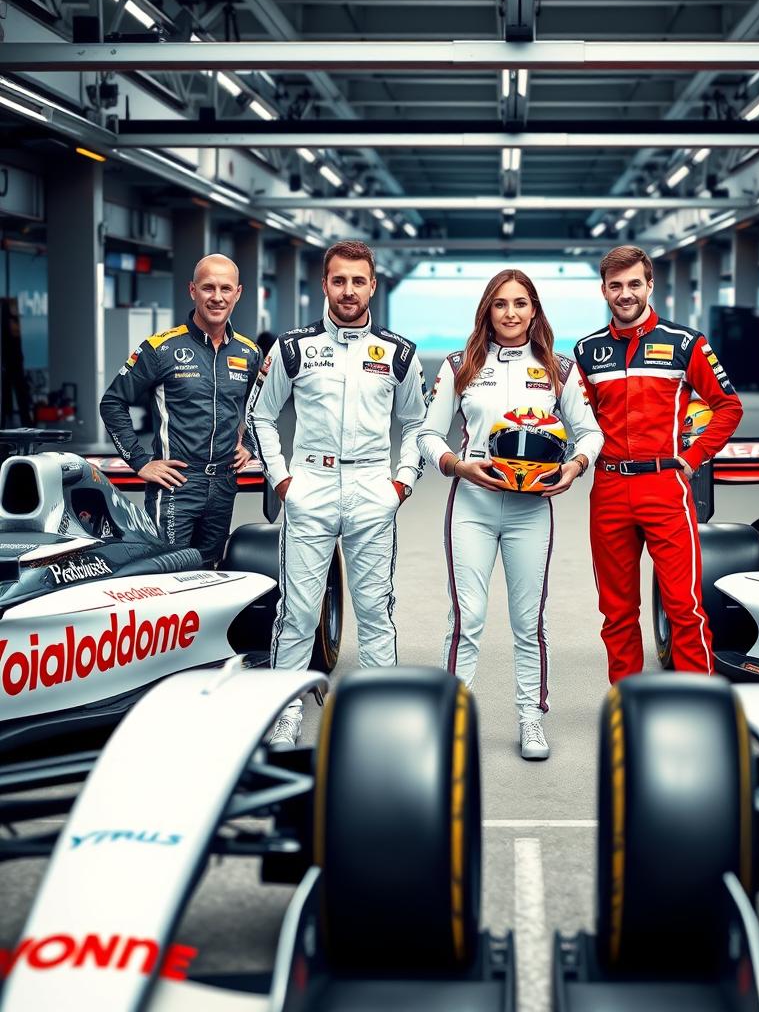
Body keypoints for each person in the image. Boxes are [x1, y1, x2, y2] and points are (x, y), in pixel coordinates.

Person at [247, 240, 426, 748]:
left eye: (358, 281)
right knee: (299, 609)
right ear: (325, 284)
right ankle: (285, 710)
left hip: (374, 486)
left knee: (375, 608)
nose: (349, 291)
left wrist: (403, 481)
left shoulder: (398, 352)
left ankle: (379, 712)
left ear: (373, 285)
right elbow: (260, 414)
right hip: (311, 486)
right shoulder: (293, 346)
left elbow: (415, 422)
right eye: (339, 280)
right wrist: (282, 481)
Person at [418, 269, 603, 760]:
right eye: (501, 304)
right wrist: (459, 466)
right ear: (487, 311)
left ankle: (530, 718)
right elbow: (428, 435)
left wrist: (574, 468)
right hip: (472, 506)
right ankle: (453, 717)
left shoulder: (559, 368)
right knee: (468, 617)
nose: (511, 313)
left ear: (535, 310)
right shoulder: (460, 365)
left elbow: (590, 433)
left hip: (531, 510)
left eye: (521, 304)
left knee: (529, 620)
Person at [574, 245, 743, 683]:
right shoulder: (587, 351)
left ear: (650, 285)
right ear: (604, 291)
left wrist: (690, 460)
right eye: (616, 286)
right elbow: (581, 421)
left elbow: (728, 407)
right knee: (616, 611)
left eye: (634, 284)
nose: (625, 294)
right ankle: (629, 704)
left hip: (665, 488)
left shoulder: (686, 343)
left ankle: (696, 704)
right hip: (609, 490)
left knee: (684, 605)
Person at [100, 253, 259, 567]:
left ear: (238, 293)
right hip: (177, 485)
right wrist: (140, 461)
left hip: (224, 484)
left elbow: (261, 407)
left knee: (211, 572)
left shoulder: (248, 351)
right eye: (208, 288)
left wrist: (250, 444)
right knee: (168, 574)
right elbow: (112, 403)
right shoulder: (160, 348)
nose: (217, 297)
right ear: (193, 290)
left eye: (225, 289)